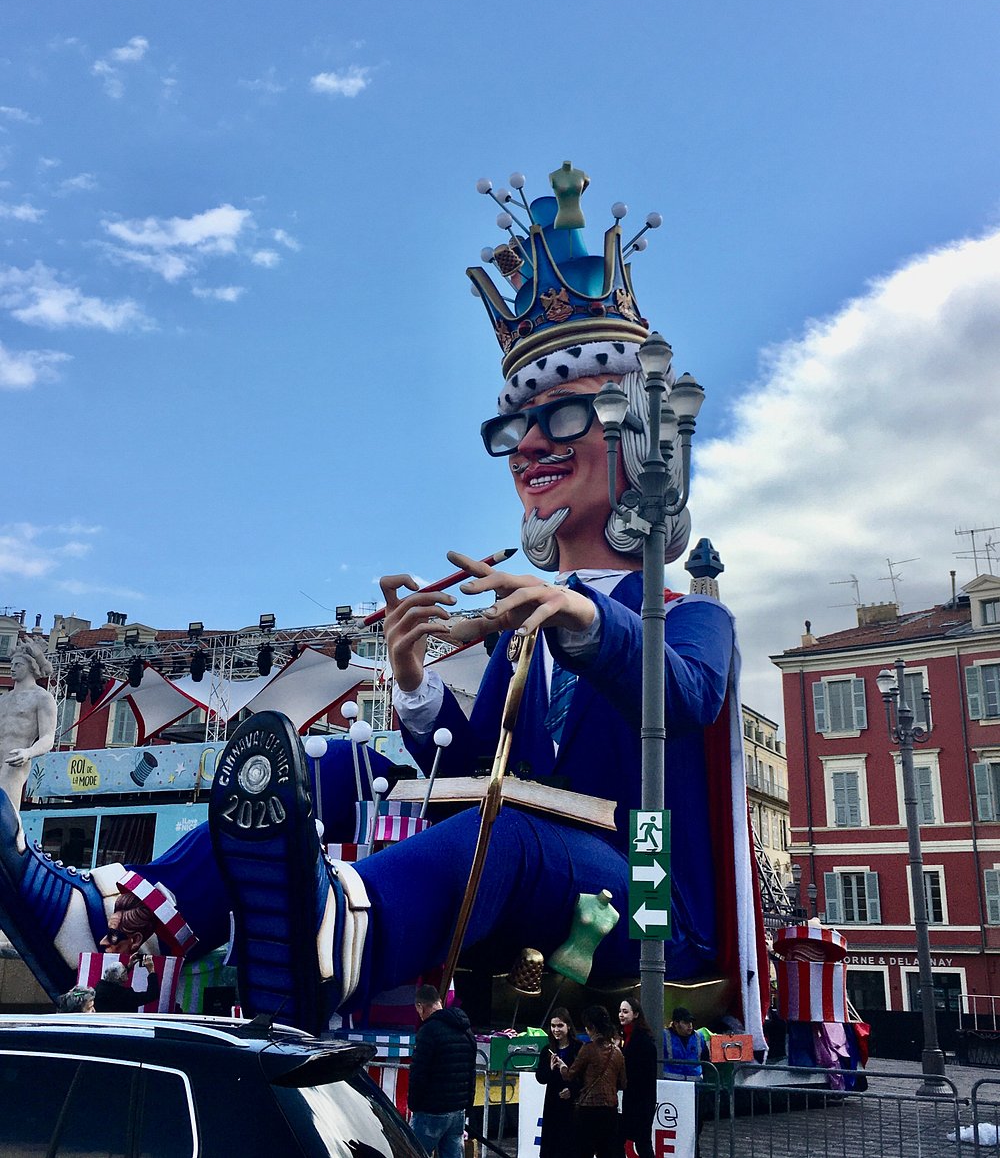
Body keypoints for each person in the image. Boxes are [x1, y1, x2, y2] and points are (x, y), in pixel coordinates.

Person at [0, 165, 764, 1044]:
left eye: (560, 419)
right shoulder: (527, 634)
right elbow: (480, 763)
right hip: (545, 867)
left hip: (646, 887)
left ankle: (341, 936)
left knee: (506, 835)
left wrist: (582, 616)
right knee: (331, 764)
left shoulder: (684, 614)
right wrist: (412, 685)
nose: (528, 450)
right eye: (512, 428)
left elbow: (688, 693)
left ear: (637, 431)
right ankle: (114, 919)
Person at [408, 983, 476, 1158]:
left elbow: (418, 1073)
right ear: (439, 1002)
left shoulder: (428, 1031)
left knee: (413, 1152)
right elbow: (471, 1071)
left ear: (420, 1006)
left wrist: (414, 1104)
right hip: (458, 1110)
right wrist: (467, 1105)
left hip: (431, 1110)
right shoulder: (465, 1029)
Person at [0, 643, 56, 848]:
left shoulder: (42, 697)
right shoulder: (3, 699)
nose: (12, 668)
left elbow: (48, 737)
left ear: (31, 667)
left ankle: (16, 847)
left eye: (18, 664)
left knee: (6, 812)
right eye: (12, 664)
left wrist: (28, 752)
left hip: (15, 758)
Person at [557, 1004, 625, 1158]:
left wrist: (561, 1066)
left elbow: (570, 1075)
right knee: (607, 1152)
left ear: (592, 1027)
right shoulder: (618, 1052)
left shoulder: (588, 1049)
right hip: (610, 1110)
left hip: (588, 1110)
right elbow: (623, 1083)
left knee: (583, 1151)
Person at [535, 1006, 582, 1158]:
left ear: (568, 1026)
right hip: (552, 1104)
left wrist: (572, 1090)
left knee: (569, 1146)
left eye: (560, 1025)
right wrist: (549, 1068)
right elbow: (541, 1078)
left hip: (572, 1106)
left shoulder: (578, 1048)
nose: (556, 1030)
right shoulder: (547, 1050)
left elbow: (585, 1078)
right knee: (551, 1146)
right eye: (553, 1026)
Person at [618, 997, 656, 1158]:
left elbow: (641, 1072)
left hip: (641, 1100)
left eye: (625, 1011)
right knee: (632, 1141)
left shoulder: (642, 1040)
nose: (621, 1015)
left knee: (642, 1143)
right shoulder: (627, 1037)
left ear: (636, 1014)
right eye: (620, 1011)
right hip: (633, 1098)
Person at [93, 954, 159, 1013]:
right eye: (124, 971)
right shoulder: (126, 996)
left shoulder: (99, 987)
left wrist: (129, 966)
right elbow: (152, 995)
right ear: (120, 977)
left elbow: (117, 978)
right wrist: (151, 971)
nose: (126, 972)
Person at [662, 1006, 704, 1080]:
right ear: (676, 1023)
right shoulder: (665, 1036)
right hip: (671, 1083)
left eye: (690, 1022)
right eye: (686, 1022)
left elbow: (705, 1059)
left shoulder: (699, 1037)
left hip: (694, 1084)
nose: (690, 1025)